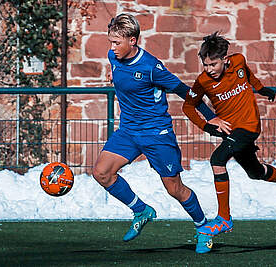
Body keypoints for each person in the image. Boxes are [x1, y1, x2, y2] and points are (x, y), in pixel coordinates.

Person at [92, 13, 217, 254]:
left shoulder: (151, 67)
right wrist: (113, 76)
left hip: (156, 134)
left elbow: (184, 90)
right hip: (128, 131)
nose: (112, 47)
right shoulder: (113, 57)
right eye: (111, 42)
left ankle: (203, 227)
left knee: (174, 189)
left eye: (117, 42)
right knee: (101, 173)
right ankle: (141, 210)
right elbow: (118, 72)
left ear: (133, 40)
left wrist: (211, 117)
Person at [182, 32, 276, 252]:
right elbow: (188, 107)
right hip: (230, 131)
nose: (208, 69)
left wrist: (260, 88)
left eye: (213, 64)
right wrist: (209, 124)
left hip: (249, 126)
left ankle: (224, 218)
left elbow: (247, 75)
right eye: (205, 64)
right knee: (255, 172)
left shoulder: (238, 60)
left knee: (217, 160)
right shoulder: (202, 81)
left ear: (225, 60)